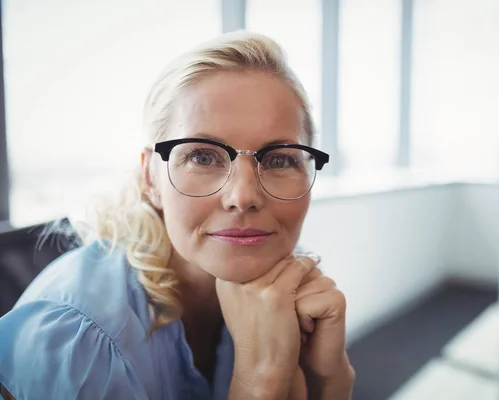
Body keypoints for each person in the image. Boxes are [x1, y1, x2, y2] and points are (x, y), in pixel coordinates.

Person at [0, 31, 355, 399]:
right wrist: (259, 381)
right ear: (149, 177)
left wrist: (329, 378)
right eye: (203, 156)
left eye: (280, 159)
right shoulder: (76, 338)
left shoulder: (282, 288)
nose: (244, 196)